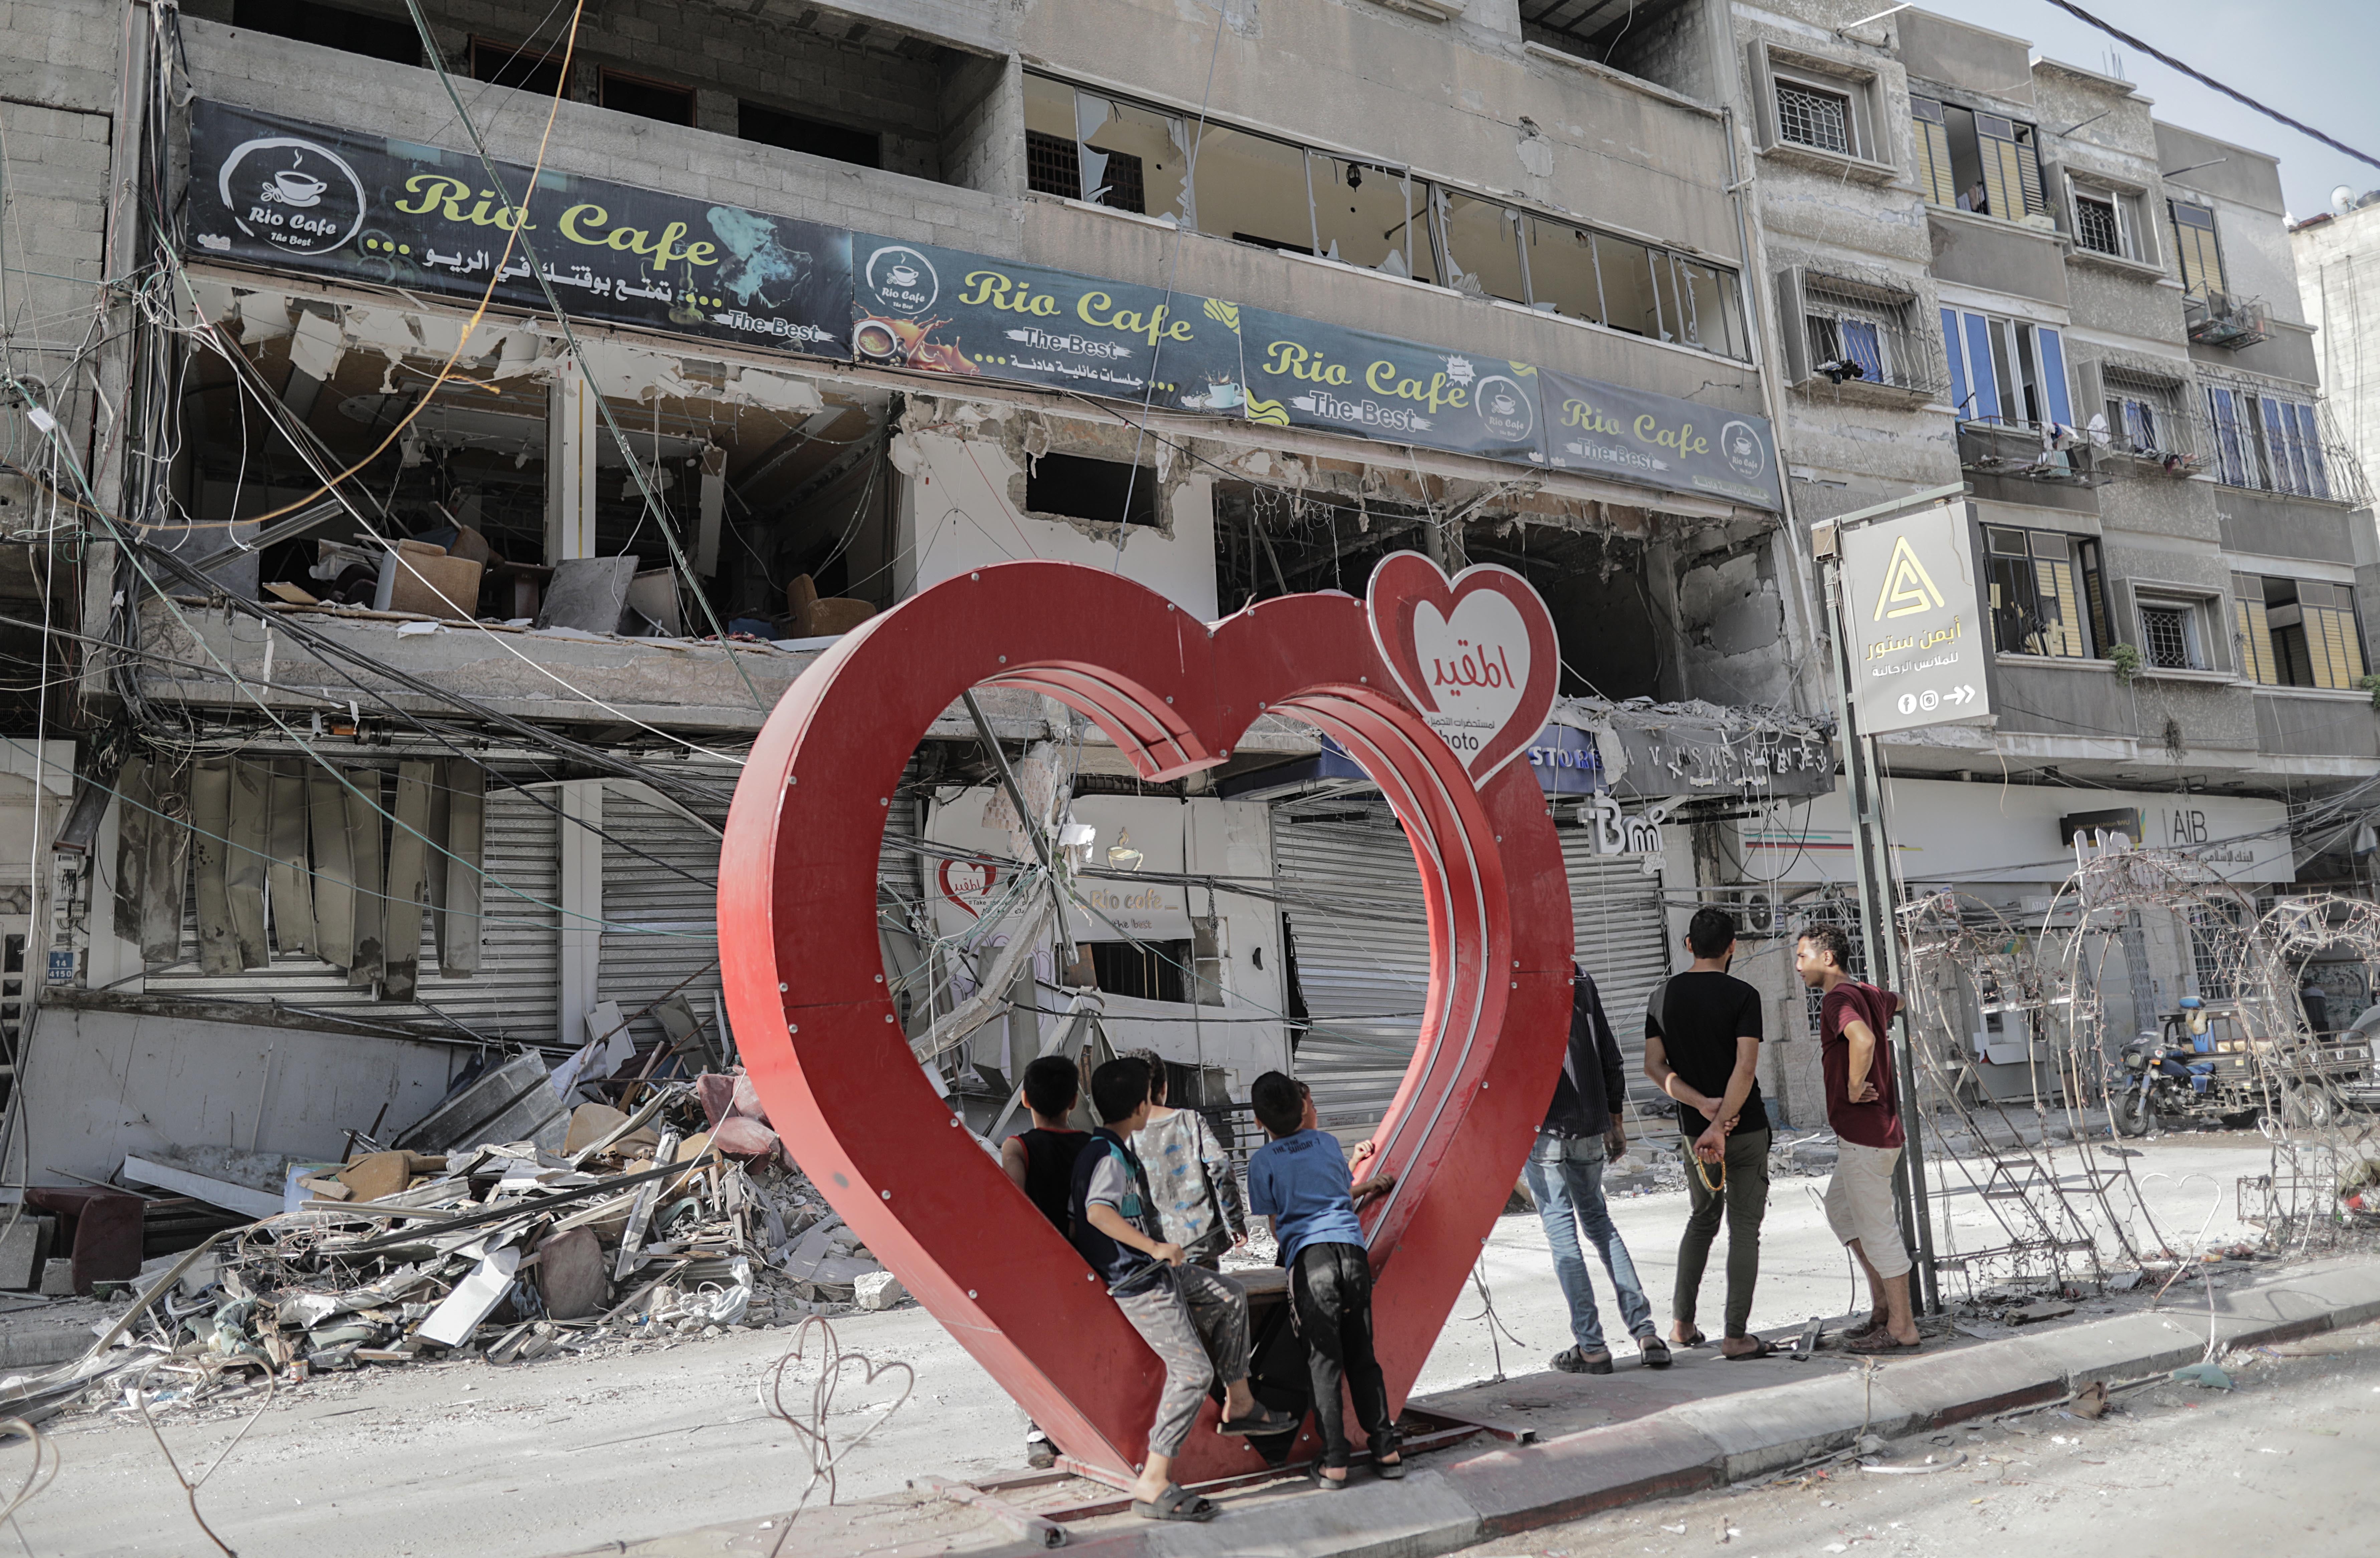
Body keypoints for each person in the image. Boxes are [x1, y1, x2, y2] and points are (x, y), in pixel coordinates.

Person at [1069, 1057, 1294, 1522]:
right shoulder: (1108, 1156)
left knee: (1229, 1294)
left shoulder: (1115, 1146)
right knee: (1191, 1372)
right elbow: (1097, 1212)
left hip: (1156, 1271)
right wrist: (1153, 1246)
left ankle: (1242, 1403)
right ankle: (1154, 1480)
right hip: (1138, 1283)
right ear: (1143, 1103)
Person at [1246, 1072, 1403, 1488]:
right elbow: (1338, 1190)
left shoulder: (1262, 1162)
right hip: (1352, 1253)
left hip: (1311, 1262)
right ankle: (1386, 1448)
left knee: (1324, 1362)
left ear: (1259, 1122)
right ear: (1304, 1109)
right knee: (1362, 1357)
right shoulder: (1329, 1144)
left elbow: (1277, 1224)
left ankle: (1335, 1460)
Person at [1644, 906, 1773, 1359]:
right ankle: (1736, 1335)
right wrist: (1724, 1121)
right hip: (1746, 1126)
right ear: (1733, 947)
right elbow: (1746, 1065)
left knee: (1702, 1219)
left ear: (1689, 946)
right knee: (1744, 1228)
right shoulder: (1745, 995)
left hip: (1695, 1132)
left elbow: (1655, 1067)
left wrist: (1702, 1108)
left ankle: (1682, 1324)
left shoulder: (1662, 997)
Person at [1527, 964, 1666, 1374]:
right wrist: (1616, 1120)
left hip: (1546, 1128)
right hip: (1590, 1124)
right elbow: (1609, 1053)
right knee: (1599, 1223)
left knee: (1561, 1232)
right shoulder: (1579, 976)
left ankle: (1592, 1346)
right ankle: (1646, 1333)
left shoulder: (1517, 975)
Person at [1792, 925, 1920, 1355]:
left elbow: (1862, 1039)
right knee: (1842, 1210)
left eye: (1803, 956)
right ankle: (1883, 1306)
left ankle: (1902, 1327)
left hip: (1868, 1136)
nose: (1798, 966)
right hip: (1871, 1135)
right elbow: (1900, 1001)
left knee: (1878, 1229)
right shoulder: (1866, 994)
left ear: (1827, 958)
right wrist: (1882, 1003)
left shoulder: (1836, 999)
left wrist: (1851, 1085)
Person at [1000, 1055, 1090, 1469]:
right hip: (1091, 1262)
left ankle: (1041, 1431)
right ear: (1074, 1100)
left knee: (1042, 1351)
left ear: (1024, 1099)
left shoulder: (1017, 1147)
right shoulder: (1094, 1146)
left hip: (1043, 1266)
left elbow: (1014, 1207)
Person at [1125, 1049, 1249, 1267]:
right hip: (1200, 1245)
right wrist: (1235, 1220)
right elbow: (1221, 1166)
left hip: (1153, 1254)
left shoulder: (1127, 1135)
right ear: (1165, 1088)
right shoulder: (1191, 1121)